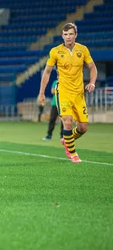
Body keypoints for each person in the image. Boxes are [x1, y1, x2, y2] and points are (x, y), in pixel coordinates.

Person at [39, 23, 97, 163]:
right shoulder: (55, 51)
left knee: (83, 128)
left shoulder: (83, 50)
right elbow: (47, 73)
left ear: (75, 35)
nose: (68, 37)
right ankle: (73, 154)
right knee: (68, 122)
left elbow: (92, 67)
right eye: (65, 34)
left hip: (78, 93)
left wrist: (92, 82)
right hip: (63, 91)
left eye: (71, 34)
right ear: (62, 36)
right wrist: (41, 93)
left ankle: (67, 140)